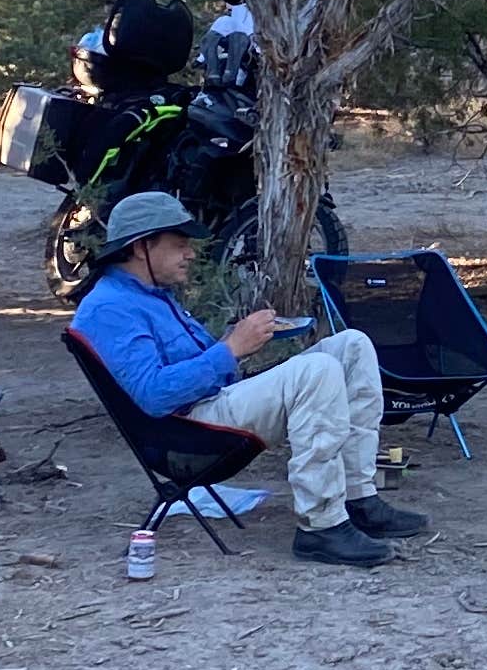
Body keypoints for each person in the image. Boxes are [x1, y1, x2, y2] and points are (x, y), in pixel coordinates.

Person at [67, 190, 428, 569]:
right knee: (317, 372)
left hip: (211, 406)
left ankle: (358, 498)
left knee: (352, 346)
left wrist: (240, 341)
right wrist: (232, 349)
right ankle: (321, 526)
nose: (190, 253)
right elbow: (154, 396)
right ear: (142, 247)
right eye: (179, 245)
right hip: (188, 434)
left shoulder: (151, 294)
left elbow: (194, 365)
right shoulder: (110, 308)